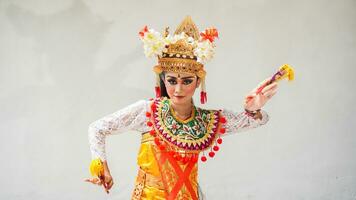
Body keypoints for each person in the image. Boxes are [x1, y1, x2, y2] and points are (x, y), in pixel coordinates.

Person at [85, 16, 278, 200]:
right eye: (171, 81)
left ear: (197, 83)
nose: (178, 89)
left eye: (186, 81)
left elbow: (254, 121)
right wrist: (102, 169)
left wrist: (253, 109)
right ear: (163, 80)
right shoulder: (147, 111)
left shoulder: (207, 121)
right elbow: (97, 128)